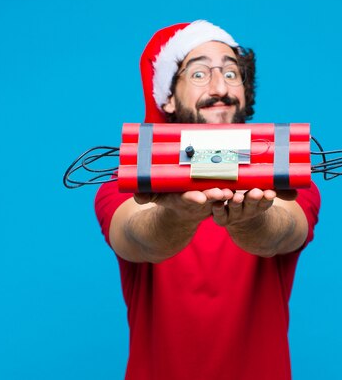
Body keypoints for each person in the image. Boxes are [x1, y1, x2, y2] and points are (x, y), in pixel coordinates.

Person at [94, 20, 321, 380]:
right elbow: (135, 238)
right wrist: (178, 214)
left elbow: (284, 231)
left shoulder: (287, 175)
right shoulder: (129, 181)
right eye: (199, 74)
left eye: (232, 74)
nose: (220, 88)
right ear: (167, 96)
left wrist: (251, 218)